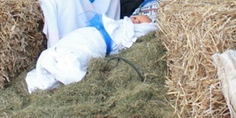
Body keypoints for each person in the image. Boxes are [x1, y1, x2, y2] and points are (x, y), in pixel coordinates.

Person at [25, 13, 156, 93]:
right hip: (88, 36)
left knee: (75, 62)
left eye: (140, 22)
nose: (135, 21)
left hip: (97, 44)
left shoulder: (128, 36)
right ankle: (52, 63)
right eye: (135, 17)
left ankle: (57, 75)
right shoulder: (115, 25)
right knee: (64, 50)